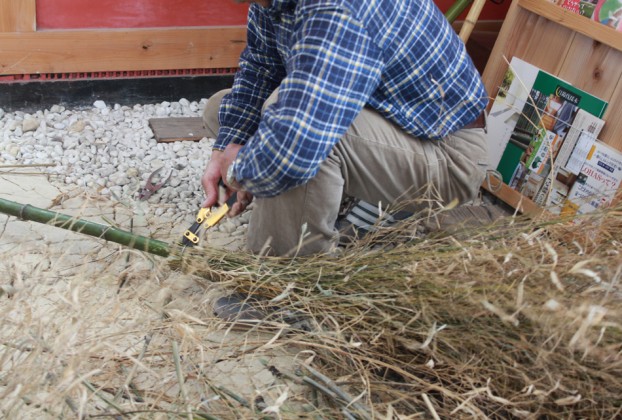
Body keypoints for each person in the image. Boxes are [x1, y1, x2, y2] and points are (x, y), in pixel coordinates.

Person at [201, 0, 489, 257]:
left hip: (445, 154)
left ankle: (290, 283)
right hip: (387, 119)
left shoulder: (337, 9)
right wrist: (225, 150)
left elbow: (297, 145)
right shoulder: (273, 3)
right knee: (222, 110)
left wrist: (241, 169)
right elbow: (261, 67)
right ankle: (355, 198)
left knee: (300, 136)